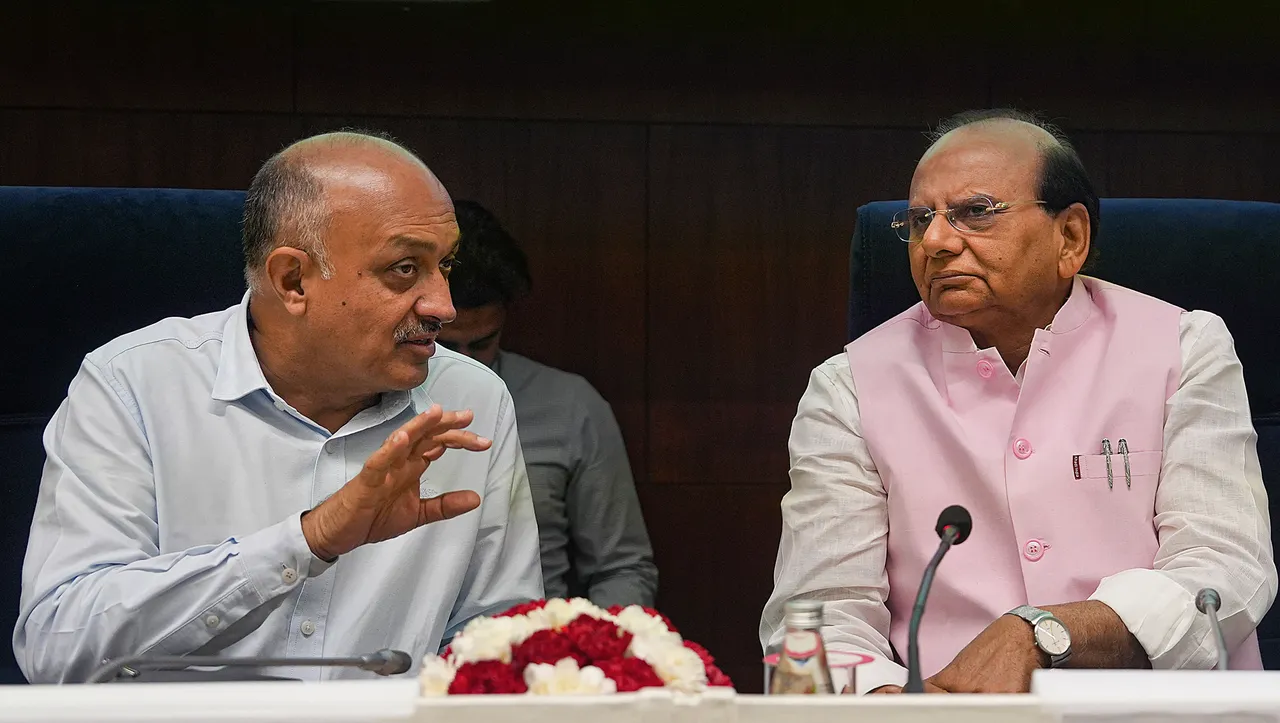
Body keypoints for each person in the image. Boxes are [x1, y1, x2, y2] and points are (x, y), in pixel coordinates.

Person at [760, 109, 1277, 694]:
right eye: (920, 219)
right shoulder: (850, 385)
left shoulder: (1183, 349)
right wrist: (895, 706)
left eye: (974, 213)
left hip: (1149, 706)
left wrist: (1045, 632)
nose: (934, 241)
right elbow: (817, 615)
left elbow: (1223, 569)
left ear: (1071, 238)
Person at [14, 132, 543, 683]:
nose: (444, 306)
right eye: (404, 268)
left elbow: (499, 634)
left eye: (446, 266)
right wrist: (307, 540)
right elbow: (57, 647)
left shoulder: (473, 398)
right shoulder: (134, 383)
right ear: (292, 280)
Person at [437, 200, 658, 608]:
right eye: (445, 346)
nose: (464, 364)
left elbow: (621, 567)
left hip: (529, 653)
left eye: (482, 343)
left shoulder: (570, 406)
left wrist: (600, 657)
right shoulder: (360, 398)